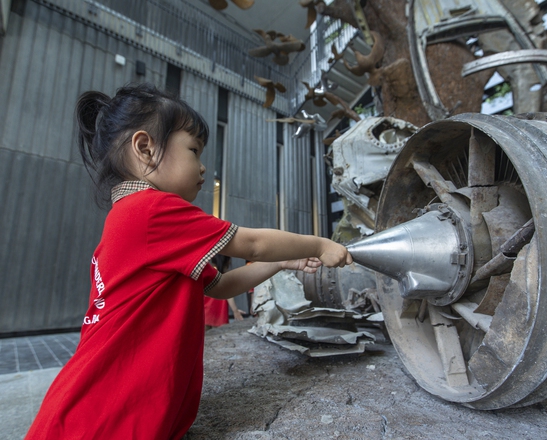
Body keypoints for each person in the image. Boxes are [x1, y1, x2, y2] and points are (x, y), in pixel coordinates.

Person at [24, 83, 352, 439]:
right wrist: (320, 244)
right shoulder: (152, 210)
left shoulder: (132, 221)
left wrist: (281, 263)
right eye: (194, 149)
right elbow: (253, 244)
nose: (203, 166)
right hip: (102, 416)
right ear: (146, 148)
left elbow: (222, 286)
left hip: (92, 409)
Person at [204, 255, 245, 329]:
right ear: (228, 262)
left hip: (206, 310)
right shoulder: (225, 277)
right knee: (219, 336)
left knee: (206, 337)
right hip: (220, 313)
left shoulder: (208, 274)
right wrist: (235, 311)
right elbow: (229, 296)